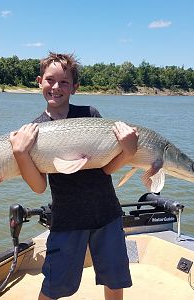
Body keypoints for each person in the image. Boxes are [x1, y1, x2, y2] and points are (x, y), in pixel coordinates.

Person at [9, 52, 139, 300]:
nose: (56, 87)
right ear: (39, 81)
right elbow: (38, 187)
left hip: (107, 215)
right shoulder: (33, 130)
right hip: (67, 221)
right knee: (55, 286)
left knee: (114, 279)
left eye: (64, 82)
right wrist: (20, 153)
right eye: (50, 80)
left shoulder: (90, 115)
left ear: (75, 88)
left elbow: (108, 169)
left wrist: (128, 151)